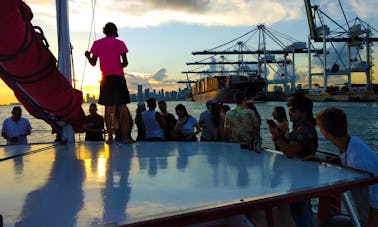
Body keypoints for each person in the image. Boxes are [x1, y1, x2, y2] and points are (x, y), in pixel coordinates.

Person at [316, 106, 378, 227]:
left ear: (324, 132)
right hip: (363, 218)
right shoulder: (352, 143)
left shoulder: (359, 160)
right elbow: (344, 158)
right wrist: (322, 161)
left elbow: (377, 203)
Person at [268, 94, 317, 227]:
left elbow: (290, 151)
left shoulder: (305, 128)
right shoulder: (298, 127)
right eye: (289, 109)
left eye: (293, 109)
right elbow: (287, 146)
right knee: (300, 210)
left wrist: (276, 137)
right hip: (300, 176)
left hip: (303, 179)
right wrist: (278, 136)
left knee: (300, 212)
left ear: (304, 112)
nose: (289, 112)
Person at [85, 22, 133, 144]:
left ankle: (110, 137)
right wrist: (117, 66)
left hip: (106, 78)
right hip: (118, 77)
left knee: (108, 108)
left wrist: (87, 56)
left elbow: (93, 63)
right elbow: (125, 63)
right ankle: (126, 137)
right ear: (115, 31)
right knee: (122, 107)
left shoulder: (97, 44)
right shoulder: (120, 43)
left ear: (104, 31)